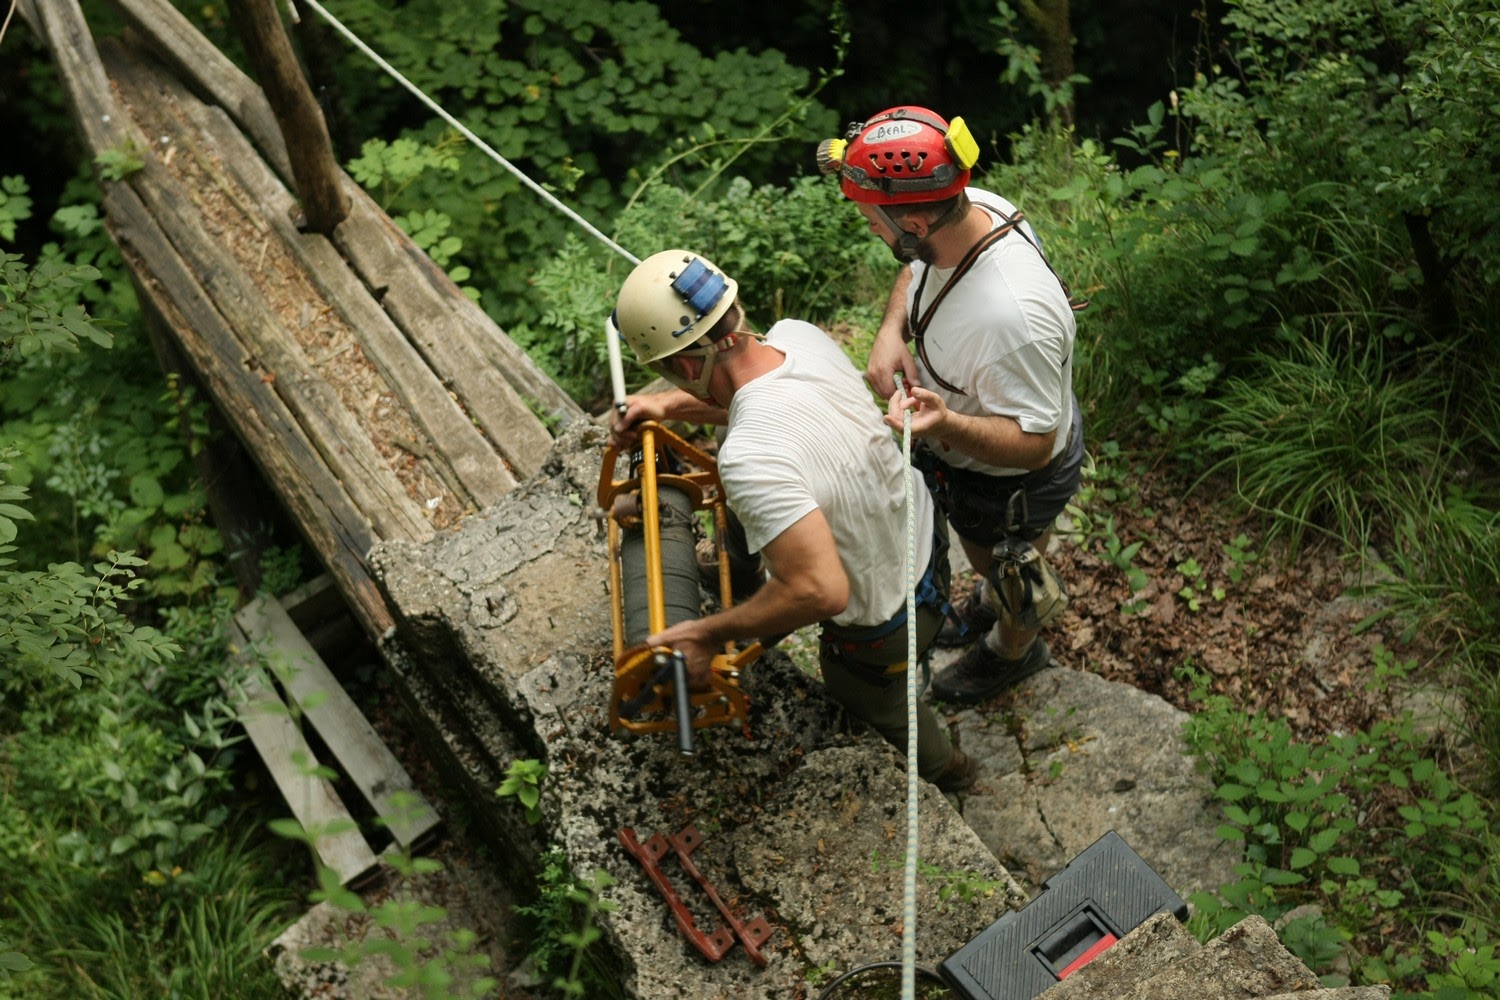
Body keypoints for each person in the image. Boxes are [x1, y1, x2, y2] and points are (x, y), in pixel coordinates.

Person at [608, 248, 975, 792]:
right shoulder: (799, 336)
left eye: (668, 377)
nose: (673, 386)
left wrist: (702, 634)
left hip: (890, 619)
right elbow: (750, 393)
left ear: (685, 366)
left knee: (876, 703)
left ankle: (951, 772)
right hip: (922, 533)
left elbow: (821, 592)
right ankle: (752, 586)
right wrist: (666, 407)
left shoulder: (753, 457)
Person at [818, 105, 1085, 703]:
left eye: (872, 221)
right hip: (973, 464)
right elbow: (918, 273)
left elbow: (1037, 442)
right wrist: (892, 331)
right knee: (987, 559)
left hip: (1013, 480)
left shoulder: (1011, 318)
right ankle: (990, 600)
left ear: (913, 219)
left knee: (1013, 570)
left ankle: (1013, 650)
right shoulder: (966, 206)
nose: (870, 230)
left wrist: (949, 424)